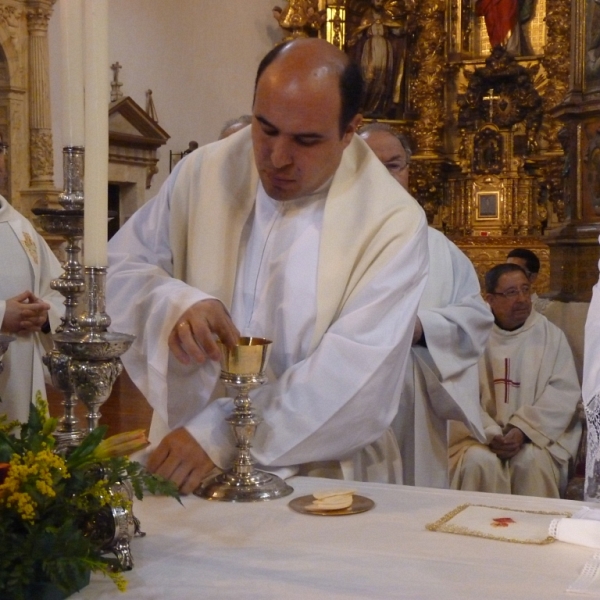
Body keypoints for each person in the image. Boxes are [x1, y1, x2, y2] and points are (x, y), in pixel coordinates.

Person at [107, 38, 429, 494]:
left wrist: (219, 434)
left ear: (349, 130)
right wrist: (175, 304)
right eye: (266, 128)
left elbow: (357, 377)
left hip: (318, 478)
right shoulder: (204, 172)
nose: (277, 157)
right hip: (185, 464)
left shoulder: (390, 221)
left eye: (306, 140)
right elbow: (118, 271)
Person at [359, 122, 493, 487]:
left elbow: (476, 318)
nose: (384, 175)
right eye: (370, 164)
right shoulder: (328, 243)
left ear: (407, 171)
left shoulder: (439, 248)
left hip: (416, 396)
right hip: (351, 397)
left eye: (394, 164)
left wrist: (423, 328)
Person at [449, 263, 581, 498]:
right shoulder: (473, 336)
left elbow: (562, 392)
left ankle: (534, 532)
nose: (522, 299)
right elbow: (459, 393)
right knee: (479, 462)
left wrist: (522, 429)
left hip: (536, 436)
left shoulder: (550, 336)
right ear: (489, 298)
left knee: (531, 462)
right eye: (511, 293)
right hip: (479, 436)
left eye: (525, 290)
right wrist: (491, 432)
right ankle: (473, 531)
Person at [0, 183, 64, 421]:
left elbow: (56, 290)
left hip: (21, 377)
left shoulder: (20, 227)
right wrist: (2, 313)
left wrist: (44, 316)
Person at [347, 0, 406, 117]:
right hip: (370, 48)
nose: (379, 2)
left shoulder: (386, 17)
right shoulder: (367, 16)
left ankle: (380, 109)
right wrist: (353, 38)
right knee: (368, 76)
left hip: (385, 49)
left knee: (384, 77)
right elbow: (359, 31)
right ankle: (366, 106)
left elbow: (397, 30)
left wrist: (405, 27)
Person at [506, 247, 549, 313]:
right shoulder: (499, 304)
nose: (509, 275)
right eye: (507, 269)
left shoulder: (544, 309)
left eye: (517, 270)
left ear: (532, 277)